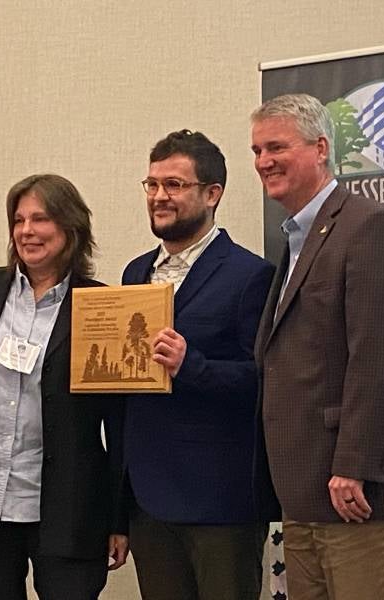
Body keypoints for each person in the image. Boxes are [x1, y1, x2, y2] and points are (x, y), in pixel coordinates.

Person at [252, 93, 384, 600]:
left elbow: (379, 360)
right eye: (256, 150)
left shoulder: (367, 227)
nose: (263, 161)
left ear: (319, 148)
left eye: (276, 147)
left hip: (355, 488)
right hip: (305, 486)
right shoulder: (296, 236)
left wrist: (352, 466)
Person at [0, 174, 127, 600]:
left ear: (71, 227)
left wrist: (120, 518)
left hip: (70, 510)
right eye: (19, 220)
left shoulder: (101, 305)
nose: (27, 231)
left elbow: (119, 422)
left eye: (41, 219)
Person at [121, 130, 276, 600]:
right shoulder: (134, 273)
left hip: (220, 501)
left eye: (174, 185)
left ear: (213, 194)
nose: (159, 197)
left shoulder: (251, 275)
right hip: (150, 499)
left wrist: (193, 364)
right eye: (151, 185)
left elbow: (263, 382)